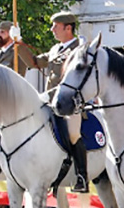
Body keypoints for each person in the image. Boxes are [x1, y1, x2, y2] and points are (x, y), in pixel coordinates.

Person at [32, 12, 88, 192]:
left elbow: (76, 79)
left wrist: (50, 94)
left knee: (73, 134)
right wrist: (18, 43)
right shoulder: (55, 49)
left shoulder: (79, 48)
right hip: (50, 101)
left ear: (68, 28)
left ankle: (82, 176)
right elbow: (34, 62)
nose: (52, 30)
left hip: (71, 104)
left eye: (55, 26)